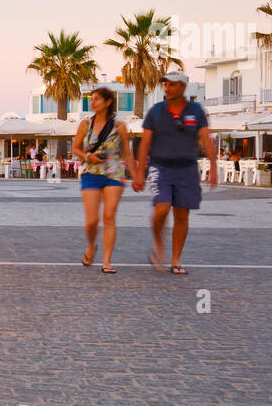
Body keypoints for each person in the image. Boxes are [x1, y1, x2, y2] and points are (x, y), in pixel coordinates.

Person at [133, 70, 216, 274]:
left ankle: (176, 259)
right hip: (160, 167)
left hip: (187, 169)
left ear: (183, 87)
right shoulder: (156, 111)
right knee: (162, 208)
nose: (167, 88)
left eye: (172, 84)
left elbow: (206, 139)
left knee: (181, 215)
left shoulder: (196, 111)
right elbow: (145, 143)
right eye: (165, 85)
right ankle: (158, 243)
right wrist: (139, 172)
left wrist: (213, 166)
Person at [73, 87, 136, 274]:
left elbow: (126, 153)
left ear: (108, 102)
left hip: (114, 174)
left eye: (97, 99)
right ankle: (91, 246)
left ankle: (107, 261)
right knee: (92, 221)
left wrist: (136, 176)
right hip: (91, 173)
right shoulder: (85, 124)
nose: (92, 102)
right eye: (91, 99)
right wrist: (87, 157)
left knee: (109, 217)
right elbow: (75, 149)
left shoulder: (120, 126)